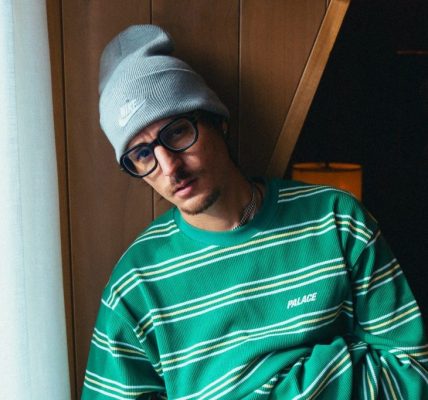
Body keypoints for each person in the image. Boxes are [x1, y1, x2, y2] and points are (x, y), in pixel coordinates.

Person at [82, 24, 428, 399]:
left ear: (219, 122)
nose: (169, 167)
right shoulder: (135, 284)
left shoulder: (336, 220)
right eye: (142, 154)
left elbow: (413, 371)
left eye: (177, 132)